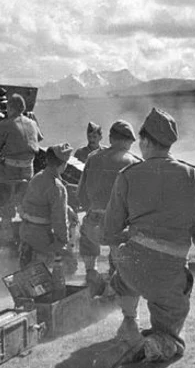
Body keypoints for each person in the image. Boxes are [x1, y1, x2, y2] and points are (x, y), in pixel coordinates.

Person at [102, 108, 195, 363]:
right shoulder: (192, 175)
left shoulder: (128, 176)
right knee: (171, 333)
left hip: (131, 267)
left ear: (144, 141)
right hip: (168, 273)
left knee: (121, 266)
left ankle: (129, 322)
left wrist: (121, 247)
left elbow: (108, 230)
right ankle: (156, 342)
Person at [77, 120, 141, 292]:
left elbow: (81, 193)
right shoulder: (134, 162)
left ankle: (91, 273)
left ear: (111, 139)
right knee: (122, 251)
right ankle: (119, 283)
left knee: (88, 243)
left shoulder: (92, 157)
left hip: (93, 224)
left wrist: (93, 210)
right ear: (128, 141)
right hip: (117, 228)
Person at [0, 93, 43, 243]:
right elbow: (39, 138)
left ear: (10, 108)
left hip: (10, 170)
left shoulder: (5, 125)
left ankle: (6, 230)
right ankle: (28, 229)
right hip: (29, 170)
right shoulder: (32, 123)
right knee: (22, 195)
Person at [18, 143, 73, 269]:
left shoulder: (37, 177)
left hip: (26, 230)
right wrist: (62, 242)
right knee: (40, 274)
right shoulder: (57, 187)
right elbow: (59, 219)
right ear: (63, 164)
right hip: (41, 236)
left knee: (26, 269)